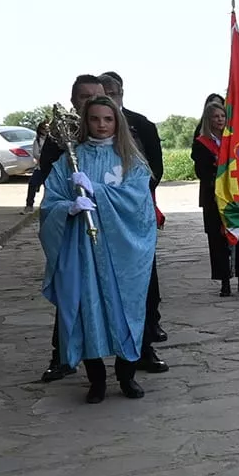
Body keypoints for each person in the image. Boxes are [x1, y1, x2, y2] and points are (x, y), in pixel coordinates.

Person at [39, 92, 158, 403]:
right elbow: (49, 203)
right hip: (81, 248)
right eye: (94, 119)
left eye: (108, 119)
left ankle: (127, 375)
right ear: (85, 122)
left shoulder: (131, 160)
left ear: (117, 122)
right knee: (84, 309)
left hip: (120, 251)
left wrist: (100, 193)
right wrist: (69, 208)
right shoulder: (69, 159)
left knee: (125, 311)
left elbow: (139, 203)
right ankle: (96, 379)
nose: (102, 125)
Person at [101, 72, 168, 367]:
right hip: (96, 223)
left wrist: (129, 199)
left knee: (143, 280)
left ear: (121, 93)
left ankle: (146, 341)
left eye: (112, 92)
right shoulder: (79, 134)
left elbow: (154, 169)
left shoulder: (140, 125)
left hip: (134, 217)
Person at [192, 97, 239, 296]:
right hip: (213, 197)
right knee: (217, 240)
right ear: (208, 120)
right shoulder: (202, 143)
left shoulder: (235, 140)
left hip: (235, 195)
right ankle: (224, 282)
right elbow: (201, 171)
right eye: (215, 117)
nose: (219, 120)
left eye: (222, 116)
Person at [23, 119, 54, 213]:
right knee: (32, 184)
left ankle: (48, 206)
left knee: (50, 187)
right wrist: (44, 156)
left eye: (47, 128)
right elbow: (36, 154)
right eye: (44, 128)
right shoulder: (37, 140)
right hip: (40, 167)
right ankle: (29, 205)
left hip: (51, 167)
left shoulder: (53, 140)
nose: (45, 130)